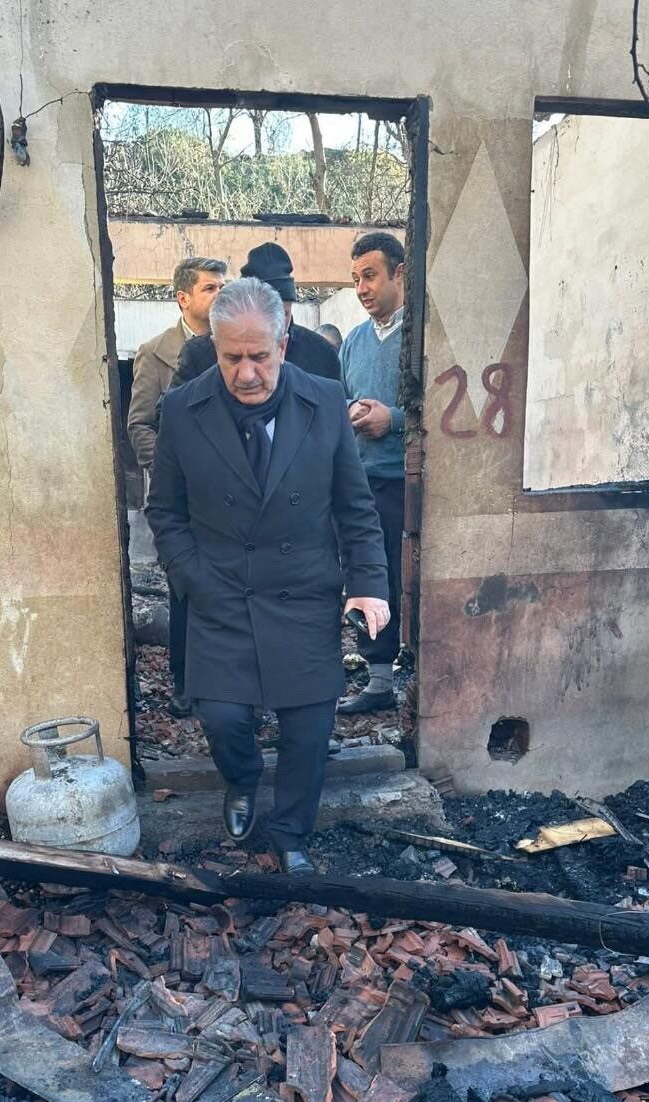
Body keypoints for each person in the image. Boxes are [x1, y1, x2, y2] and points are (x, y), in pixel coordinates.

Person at [147, 279, 388, 875]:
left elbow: (354, 506)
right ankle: (242, 779)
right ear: (214, 345)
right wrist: (190, 577)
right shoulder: (182, 409)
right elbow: (165, 510)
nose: (247, 373)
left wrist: (368, 583)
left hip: (302, 590)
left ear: (283, 343)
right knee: (223, 717)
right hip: (220, 591)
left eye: (259, 356)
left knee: (309, 726)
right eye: (232, 357)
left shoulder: (324, 400)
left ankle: (290, 831)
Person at [127, 256, 227, 717]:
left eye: (223, 286)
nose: (220, 295)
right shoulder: (155, 352)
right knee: (185, 588)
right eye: (210, 288)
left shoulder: (236, 340)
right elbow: (139, 425)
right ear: (183, 298)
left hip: (232, 495)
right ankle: (186, 683)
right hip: (181, 498)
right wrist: (174, 469)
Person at [336, 231, 407, 715]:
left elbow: (444, 405)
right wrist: (349, 410)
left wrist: (393, 420)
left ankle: (422, 671)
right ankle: (379, 679)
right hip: (363, 484)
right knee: (368, 575)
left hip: (410, 482)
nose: (362, 288)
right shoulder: (354, 342)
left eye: (370, 276)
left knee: (408, 578)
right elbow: (337, 397)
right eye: (356, 279)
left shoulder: (422, 337)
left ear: (399, 273)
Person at [169, 243, 341, 388]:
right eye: (233, 358)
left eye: (283, 314)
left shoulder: (321, 353)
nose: (247, 375)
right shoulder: (198, 354)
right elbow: (173, 412)